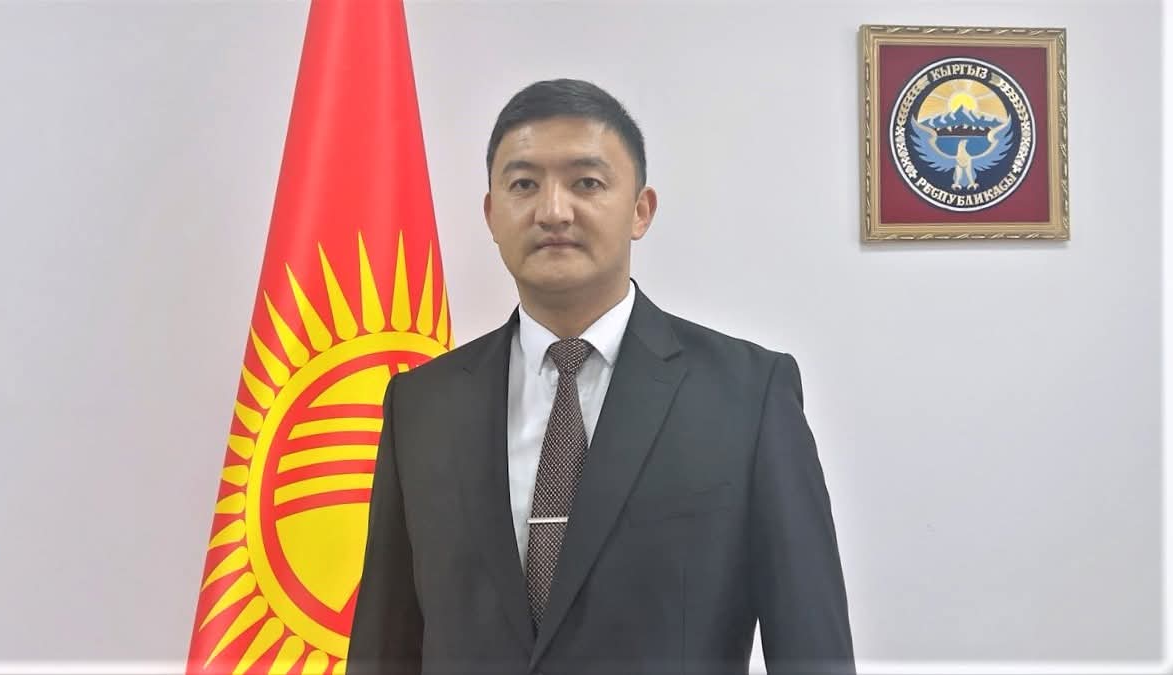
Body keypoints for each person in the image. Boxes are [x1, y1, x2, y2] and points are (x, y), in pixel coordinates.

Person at [347, 78, 854, 675]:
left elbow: (812, 647)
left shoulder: (747, 394)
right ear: (491, 215)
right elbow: (385, 643)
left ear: (641, 210)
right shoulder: (421, 404)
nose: (553, 210)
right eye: (523, 184)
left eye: (586, 183)